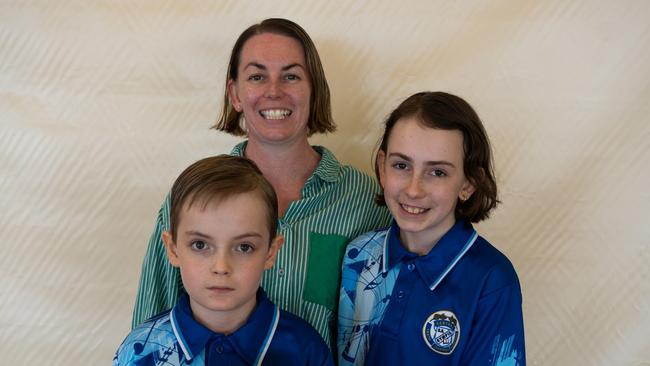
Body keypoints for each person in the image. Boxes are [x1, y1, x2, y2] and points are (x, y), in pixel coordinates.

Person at [132, 18, 391, 349]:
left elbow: (381, 333)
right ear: (235, 94)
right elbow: (149, 333)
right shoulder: (191, 198)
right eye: (257, 76)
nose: (273, 91)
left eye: (291, 76)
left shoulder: (367, 202)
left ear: (314, 91)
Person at [338, 92, 525, 365]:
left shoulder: (492, 280)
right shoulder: (359, 254)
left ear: (468, 183)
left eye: (437, 172)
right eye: (401, 165)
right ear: (382, 167)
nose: (414, 189)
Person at [115, 155, 334, 365]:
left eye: (244, 247)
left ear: (271, 252)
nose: (221, 267)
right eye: (200, 245)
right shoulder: (140, 351)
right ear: (173, 249)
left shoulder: (305, 350)